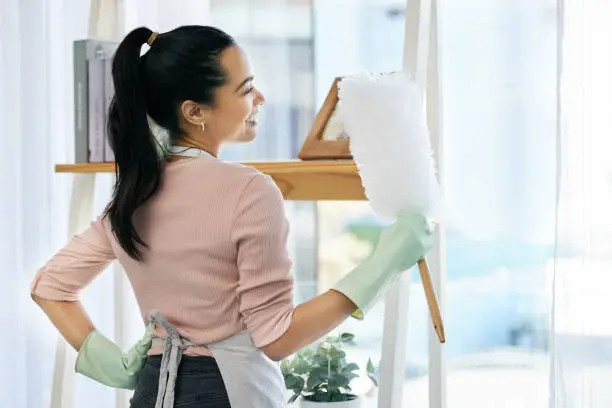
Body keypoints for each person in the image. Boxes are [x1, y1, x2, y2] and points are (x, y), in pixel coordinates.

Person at [30, 25, 434, 408]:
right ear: (194, 111)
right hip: (228, 391)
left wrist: (114, 366)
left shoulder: (131, 196)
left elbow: (49, 287)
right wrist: (383, 263)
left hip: (153, 390)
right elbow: (276, 338)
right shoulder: (249, 190)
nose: (259, 98)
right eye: (245, 89)